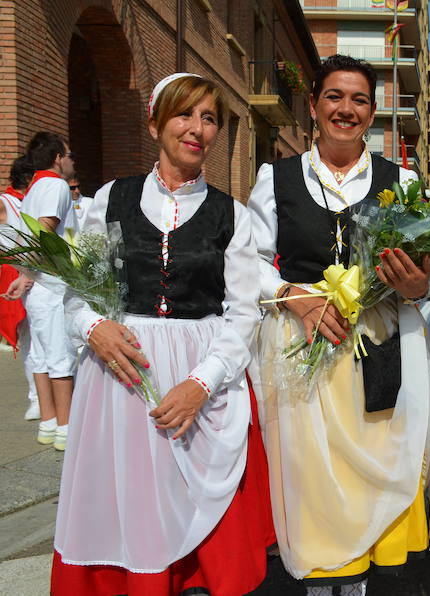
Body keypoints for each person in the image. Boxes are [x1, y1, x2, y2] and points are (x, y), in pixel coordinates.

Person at [51, 73, 274, 595]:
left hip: (200, 375)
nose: (197, 129)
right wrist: (95, 327)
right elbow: (77, 291)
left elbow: (243, 314)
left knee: (202, 527)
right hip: (118, 378)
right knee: (124, 509)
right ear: (155, 122)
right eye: (184, 114)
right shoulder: (110, 199)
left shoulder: (232, 215)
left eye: (209, 118)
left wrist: (201, 384)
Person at [248, 54, 430, 596]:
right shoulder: (275, 177)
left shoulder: (401, 181)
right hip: (300, 339)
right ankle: (320, 582)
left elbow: (425, 271)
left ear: (372, 113)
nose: (345, 110)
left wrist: (419, 286)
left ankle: (358, 584)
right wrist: (290, 294)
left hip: (380, 342)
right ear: (314, 105)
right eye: (334, 97)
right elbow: (250, 261)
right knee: (310, 474)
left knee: (374, 463)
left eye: (358, 100)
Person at [16, 132, 77, 450]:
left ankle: (49, 423)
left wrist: (23, 274)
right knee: (60, 357)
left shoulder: (33, 189)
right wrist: (27, 272)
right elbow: (43, 232)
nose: (71, 161)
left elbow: (22, 237)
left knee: (41, 356)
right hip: (54, 283)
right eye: (69, 155)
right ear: (57, 158)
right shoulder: (53, 185)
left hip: (39, 284)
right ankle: (67, 428)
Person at [0, 156, 39, 420]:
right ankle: (35, 397)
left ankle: (41, 397)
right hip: (14, 272)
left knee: (40, 339)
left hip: (30, 270)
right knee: (29, 339)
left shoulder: (25, 202)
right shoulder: (6, 201)